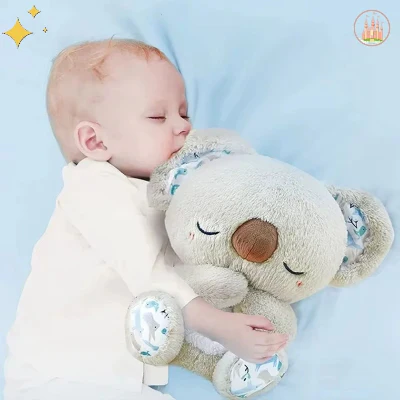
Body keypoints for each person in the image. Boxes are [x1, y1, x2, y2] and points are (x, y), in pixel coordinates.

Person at [4, 38, 288, 400]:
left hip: (103, 379)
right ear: (95, 141)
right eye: (158, 117)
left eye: (184, 113)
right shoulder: (92, 188)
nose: (182, 127)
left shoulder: (152, 195)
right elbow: (149, 273)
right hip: (58, 377)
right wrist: (222, 327)